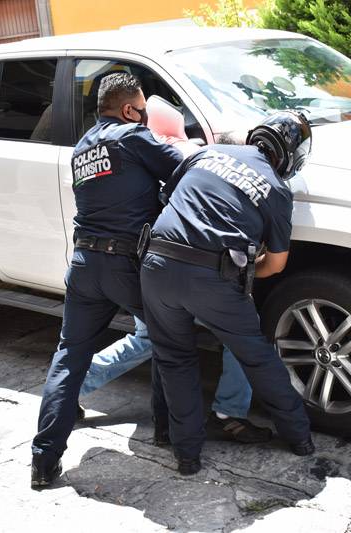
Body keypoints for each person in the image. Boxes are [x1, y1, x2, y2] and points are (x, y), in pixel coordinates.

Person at [79, 95, 269, 445]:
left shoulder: (146, 153)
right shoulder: (173, 156)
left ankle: (74, 384)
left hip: (149, 269)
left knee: (149, 339)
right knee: (235, 331)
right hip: (171, 269)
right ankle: (226, 414)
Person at [140, 112, 316, 475]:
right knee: (257, 357)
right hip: (213, 277)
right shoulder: (277, 190)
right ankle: (300, 438)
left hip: (156, 264)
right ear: (288, 157)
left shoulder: (208, 153)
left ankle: (187, 458)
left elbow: (169, 197)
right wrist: (242, 278)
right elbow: (276, 265)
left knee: (175, 360)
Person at [30, 72, 183, 488]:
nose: (145, 117)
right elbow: (186, 168)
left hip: (83, 265)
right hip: (126, 264)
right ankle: (169, 433)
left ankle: (43, 462)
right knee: (167, 337)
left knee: (69, 357)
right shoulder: (135, 136)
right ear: (131, 109)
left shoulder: (82, 150)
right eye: (143, 111)